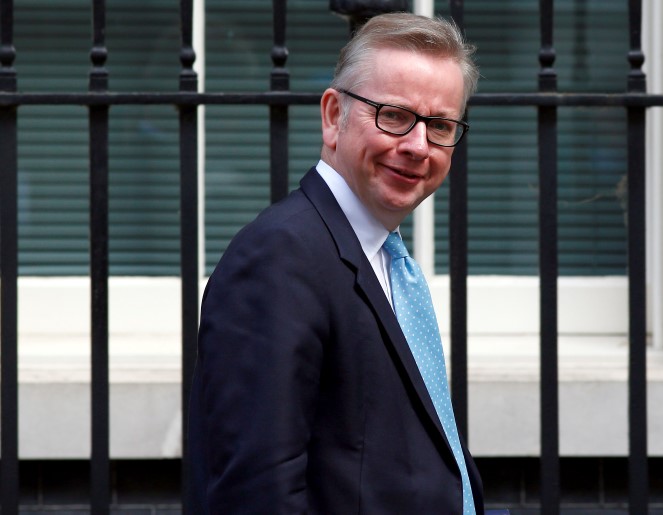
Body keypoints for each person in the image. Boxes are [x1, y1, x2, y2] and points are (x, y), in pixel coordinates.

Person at [188, 12, 482, 514]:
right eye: (393, 115)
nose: (417, 146)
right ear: (332, 116)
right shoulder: (279, 259)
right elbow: (256, 495)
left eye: (439, 125)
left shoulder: (386, 260)